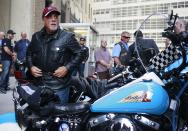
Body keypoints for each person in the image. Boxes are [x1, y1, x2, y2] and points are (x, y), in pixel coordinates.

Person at [26, 6, 84, 104]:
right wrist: (31, 67)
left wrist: (67, 68)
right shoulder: (36, 37)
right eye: (49, 17)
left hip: (59, 87)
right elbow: (29, 54)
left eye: (56, 17)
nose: (53, 19)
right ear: (43, 19)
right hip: (39, 84)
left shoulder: (67, 37)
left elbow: (80, 53)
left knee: (58, 117)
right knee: (40, 116)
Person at [0, 29, 16, 94]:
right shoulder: (5, 40)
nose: (13, 36)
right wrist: (12, 54)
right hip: (5, 59)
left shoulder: (10, 41)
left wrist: (13, 56)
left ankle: (5, 86)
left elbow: (11, 50)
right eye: (12, 34)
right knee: (4, 73)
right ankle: (1, 87)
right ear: (9, 34)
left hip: (9, 59)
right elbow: (6, 49)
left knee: (7, 74)